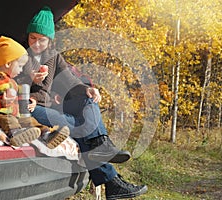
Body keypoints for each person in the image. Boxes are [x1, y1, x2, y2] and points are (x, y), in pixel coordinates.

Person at [15, 6, 148, 199]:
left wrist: (87, 89)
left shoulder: (54, 57)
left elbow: (69, 80)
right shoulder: (20, 54)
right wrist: (29, 79)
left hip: (49, 107)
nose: (36, 43)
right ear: (27, 36)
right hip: (32, 108)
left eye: (41, 39)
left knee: (87, 99)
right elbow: (9, 78)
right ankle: (111, 179)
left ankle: (102, 145)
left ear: (50, 40)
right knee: (84, 128)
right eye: (33, 38)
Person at [0, 35, 69, 148]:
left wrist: (29, 100)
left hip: (14, 115)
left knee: (29, 119)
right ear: (8, 64)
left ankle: (46, 135)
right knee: (8, 119)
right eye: (20, 66)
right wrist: (1, 102)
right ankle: (15, 135)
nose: (21, 70)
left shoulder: (13, 83)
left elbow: (20, 101)